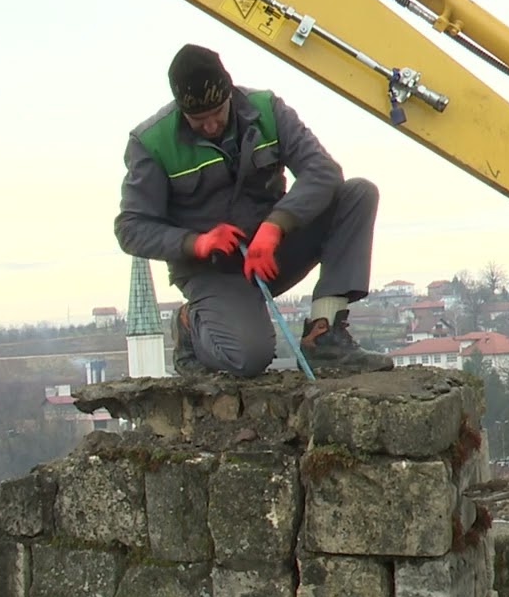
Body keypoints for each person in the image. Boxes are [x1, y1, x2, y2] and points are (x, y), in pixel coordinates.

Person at [113, 43, 393, 378]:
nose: (211, 126)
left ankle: (324, 333)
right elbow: (130, 227)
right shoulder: (152, 143)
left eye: (217, 113)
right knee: (248, 358)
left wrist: (275, 227)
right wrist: (196, 243)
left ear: (230, 92)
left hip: (270, 253)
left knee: (357, 194)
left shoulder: (267, 111)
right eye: (198, 120)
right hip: (212, 272)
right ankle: (192, 325)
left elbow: (323, 171)